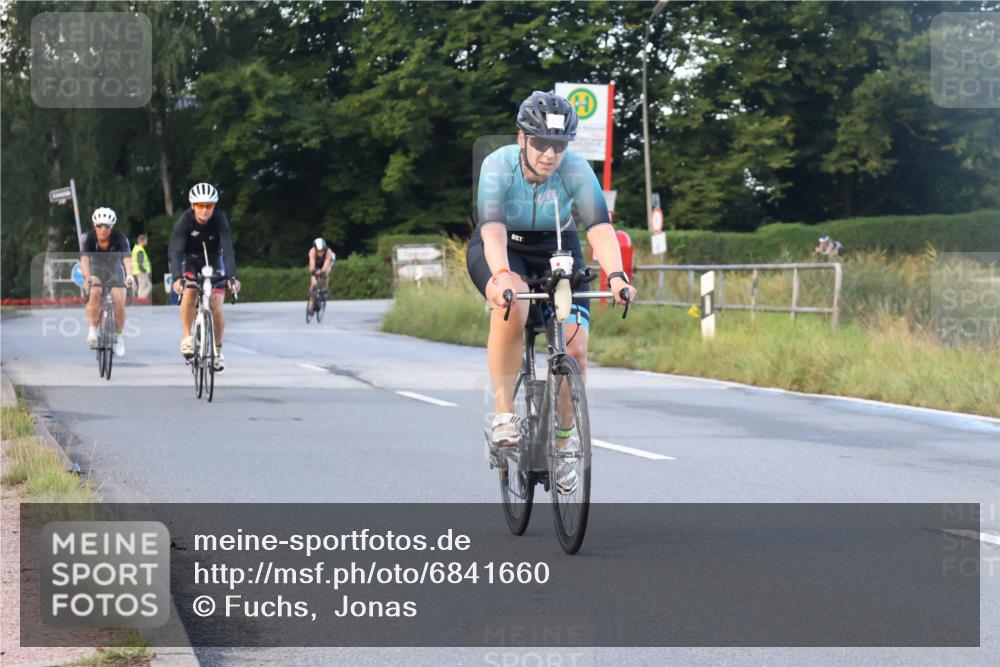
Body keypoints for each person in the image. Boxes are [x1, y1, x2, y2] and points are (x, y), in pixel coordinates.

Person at [467, 91, 637, 491]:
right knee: (514, 307)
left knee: (576, 349)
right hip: (504, 246)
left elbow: (600, 227)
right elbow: (493, 231)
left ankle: (562, 445)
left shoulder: (575, 168)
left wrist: (616, 276)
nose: (549, 154)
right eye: (541, 143)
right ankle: (504, 413)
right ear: (521, 138)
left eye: (559, 146)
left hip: (557, 246)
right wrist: (503, 276)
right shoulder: (498, 166)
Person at [168, 183, 240, 373]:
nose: (205, 210)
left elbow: (228, 249)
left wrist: (232, 277)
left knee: (216, 308)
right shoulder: (185, 220)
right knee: (190, 292)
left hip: (213, 259)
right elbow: (176, 251)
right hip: (189, 259)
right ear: (193, 206)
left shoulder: (220, 219)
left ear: (214, 206)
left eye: (209, 205)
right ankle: (187, 338)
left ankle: (217, 350)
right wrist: (178, 277)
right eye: (200, 205)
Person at [80, 207, 134, 356]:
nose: (103, 229)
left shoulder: (120, 238)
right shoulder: (87, 238)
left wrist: (130, 276)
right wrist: (88, 278)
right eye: (99, 226)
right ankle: (92, 331)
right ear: (94, 226)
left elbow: (127, 259)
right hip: (95, 269)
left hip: (114, 269)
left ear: (112, 227)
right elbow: (84, 260)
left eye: (107, 226)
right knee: (95, 292)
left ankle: (119, 336)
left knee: (119, 301)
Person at [308, 237, 335, 313]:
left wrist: (321, 272)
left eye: (322, 251)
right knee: (313, 280)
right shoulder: (312, 252)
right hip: (317, 262)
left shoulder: (328, 252)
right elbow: (312, 266)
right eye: (318, 251)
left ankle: (325, 290)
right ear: (315, 249)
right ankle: (311, 303)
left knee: (325, 274)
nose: (320, 253)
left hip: (328, 261)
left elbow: (325, 267)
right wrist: (314, 271)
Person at [131, 234, 152, 299]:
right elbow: (140, 261)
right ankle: (141, 299)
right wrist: (143, 269)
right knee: (143, 287)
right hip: (141, 271)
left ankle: (141, 298)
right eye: (146, 240)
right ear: (143, 241)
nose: (146, 242)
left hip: (137, 271)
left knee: (148, 286)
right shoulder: (140, 250)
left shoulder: (136, 249)